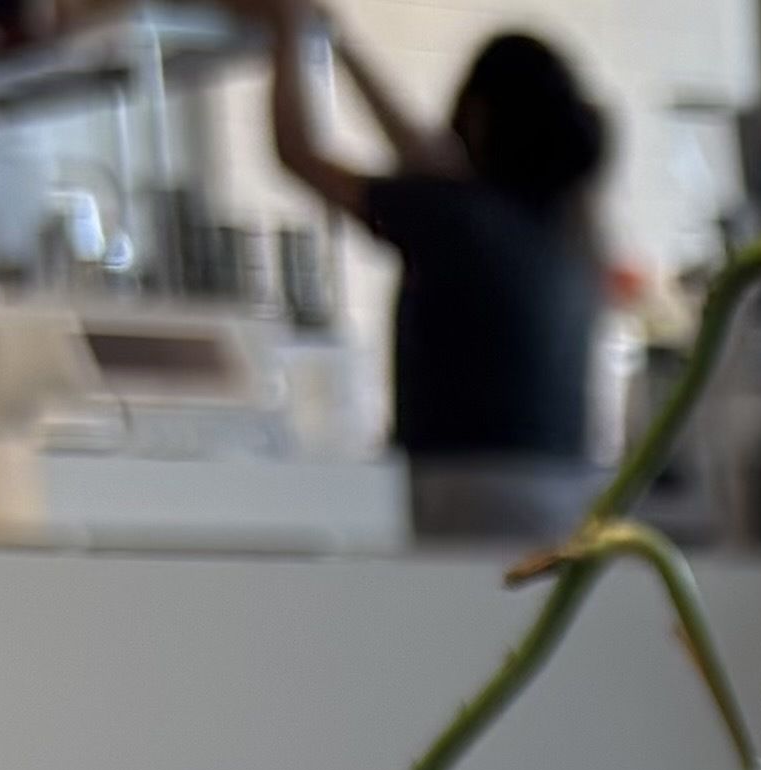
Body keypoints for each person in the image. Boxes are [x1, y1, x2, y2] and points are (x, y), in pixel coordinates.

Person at [254, 0, 610, 547]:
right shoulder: (569, 230)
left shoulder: (455, 218)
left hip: (466, 493)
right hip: (565, 490)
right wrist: (341, 44)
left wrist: (285, 31)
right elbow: (430, 158)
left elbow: (298, 152)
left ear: (478, 118)